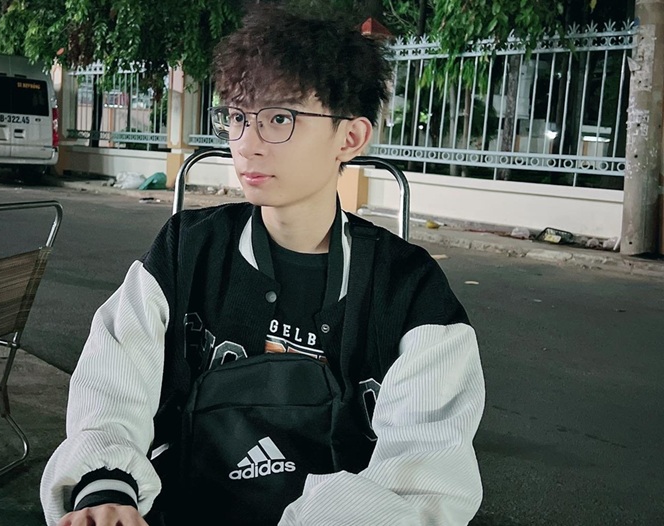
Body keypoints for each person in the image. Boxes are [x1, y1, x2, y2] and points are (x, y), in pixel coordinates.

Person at [41, 6, 485, 526]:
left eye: (279, 118)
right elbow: (113, 386)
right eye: (237, 117)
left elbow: (425, 474)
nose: (247, 144)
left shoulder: (410, 292)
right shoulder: (188, 251)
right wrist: (107, 487)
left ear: (350, 138)